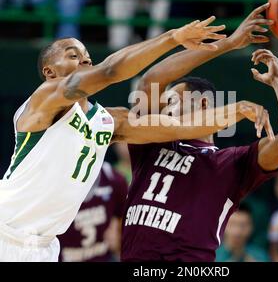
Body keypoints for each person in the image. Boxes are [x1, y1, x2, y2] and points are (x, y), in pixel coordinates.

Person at [0, 17, 232, 262]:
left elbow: (179, 127)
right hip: (5, 230)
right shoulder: (44, 99)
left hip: (43, 247)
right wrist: (173, 37)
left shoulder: (110, 120)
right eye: (73, 55)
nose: (86, 59)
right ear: (50, 72)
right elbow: (110, 71)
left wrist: (240, 108)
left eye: (87, 55)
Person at [120, 3, 278, 262]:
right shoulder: (149, 143)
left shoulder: (230, 163)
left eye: (172, 101)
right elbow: (150, 81)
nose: (162, 109)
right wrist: (230, 43)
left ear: (204, 103)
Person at [58, 161, 128, 262]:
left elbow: (125, 214)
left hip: (104, 257)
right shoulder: (55, 182)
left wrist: (118, 234)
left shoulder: (113, 178)